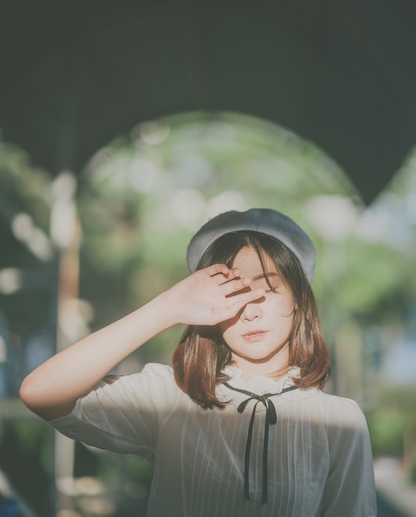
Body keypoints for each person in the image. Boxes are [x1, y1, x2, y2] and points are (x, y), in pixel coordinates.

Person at [20, 208, 377, 516]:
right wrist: (167, 307)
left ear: (299, 299)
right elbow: (40, 391)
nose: (250, 311)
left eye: (267, 289)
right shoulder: (169, 396)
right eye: (233, 293)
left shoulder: (340, 420)